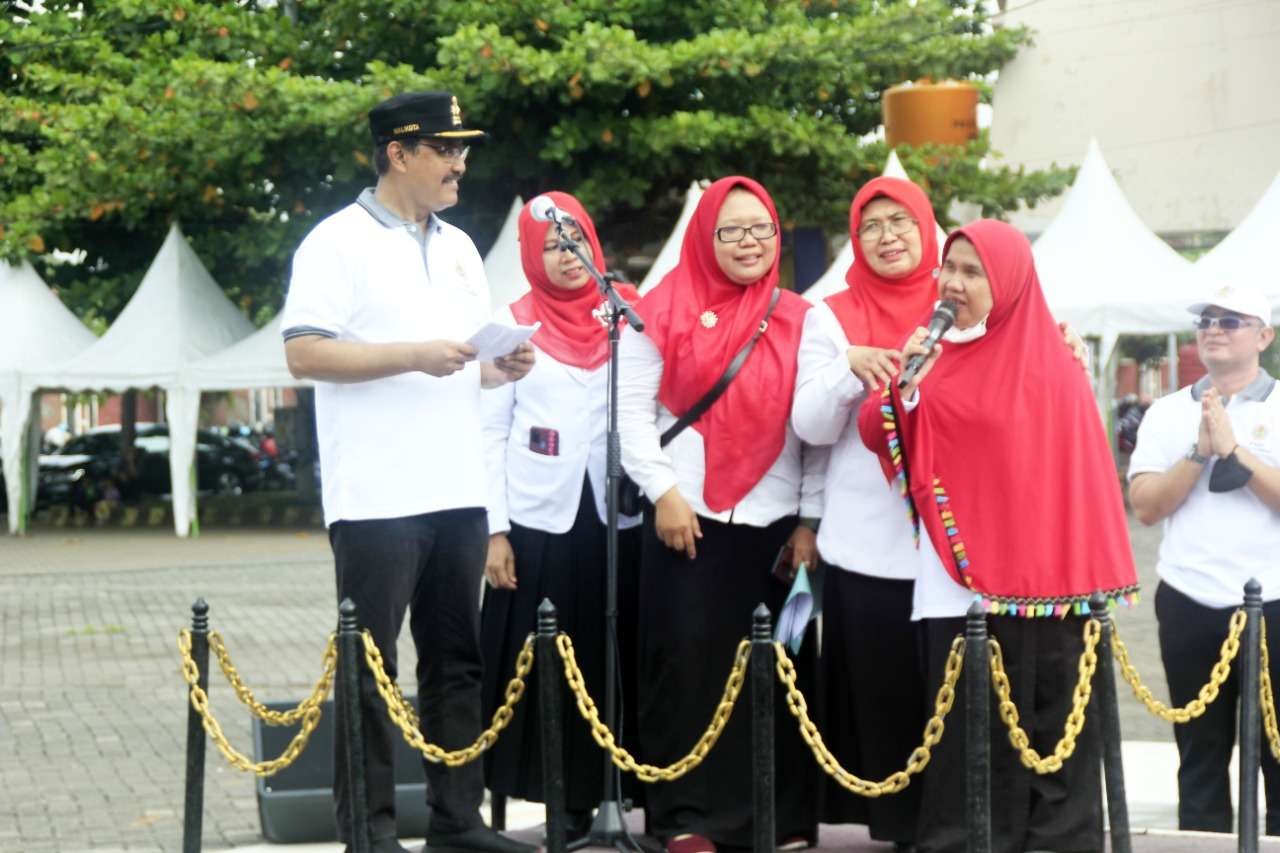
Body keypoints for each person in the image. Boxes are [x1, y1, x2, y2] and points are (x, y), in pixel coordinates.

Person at [281, 90, 536, 853]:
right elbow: (304, 352)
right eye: (446, 149)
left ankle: (457, 822)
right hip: (377, 496)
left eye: (464, 149)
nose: (462, 163)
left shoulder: (458, 246)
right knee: (371, 667)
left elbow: (470, 368)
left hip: (457, 487)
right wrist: (414, 353)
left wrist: (505, 365)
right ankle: (368, 832)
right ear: (399, 152)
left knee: (458, 660)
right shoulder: (336, 241)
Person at [857, 220, 1138, 853]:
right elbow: (877, 433)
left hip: (1050, 589)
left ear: (1006, 281)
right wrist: (907, 384)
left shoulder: (1058, 365)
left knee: (1052, 722)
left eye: (972, 271)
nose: (953, 283)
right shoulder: (932, 358)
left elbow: (1071, 481)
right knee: (964, 733)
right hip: (961, 585)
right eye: (948, 268)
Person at [619, 176, 825, 853]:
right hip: (689, 520)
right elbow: (633, 418)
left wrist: (809, 521)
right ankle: (686, 818)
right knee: (687, 668)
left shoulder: (804, 317)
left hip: (773, 526)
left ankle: (779, 814)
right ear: (706, 236)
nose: (749, 242)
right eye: (732, 230)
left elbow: (818, 429)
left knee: (777, 672)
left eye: (761, 228)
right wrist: (665, 494)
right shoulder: (658, 310)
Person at [479, 192, 643, 838]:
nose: (566, 254)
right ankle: (561, 803)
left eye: (575, 239)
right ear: (529, 253)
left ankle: (621, 793)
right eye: (550, 243)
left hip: (617, 517)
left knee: (615, 651)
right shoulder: (511, 322)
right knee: (547, 659)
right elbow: (488, 431)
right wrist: (493, 530)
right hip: (537, 521)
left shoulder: (626, 314)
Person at [790, 176, 940, 848]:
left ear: (925, 225)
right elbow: (811, 426)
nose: (888, 237)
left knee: (951, 686)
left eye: (900, 221)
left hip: (954, 542)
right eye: (872, 225)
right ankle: (899, 824)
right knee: (884, 691)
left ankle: (957, 815)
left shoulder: (960, 296)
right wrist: (850, 369)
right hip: (866, 541)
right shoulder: (831, 313)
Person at [1128, 283, 1280, 834]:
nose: (1214, 328)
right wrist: (1199, 450)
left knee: (1279, 752)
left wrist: (1235, 451)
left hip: (1274, 599)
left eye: (1231, 320)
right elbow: (1145, 506)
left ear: (1263, 336)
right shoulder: (1168, 413)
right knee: (1199, 756)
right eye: (1207, 319)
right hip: (1191, 598)